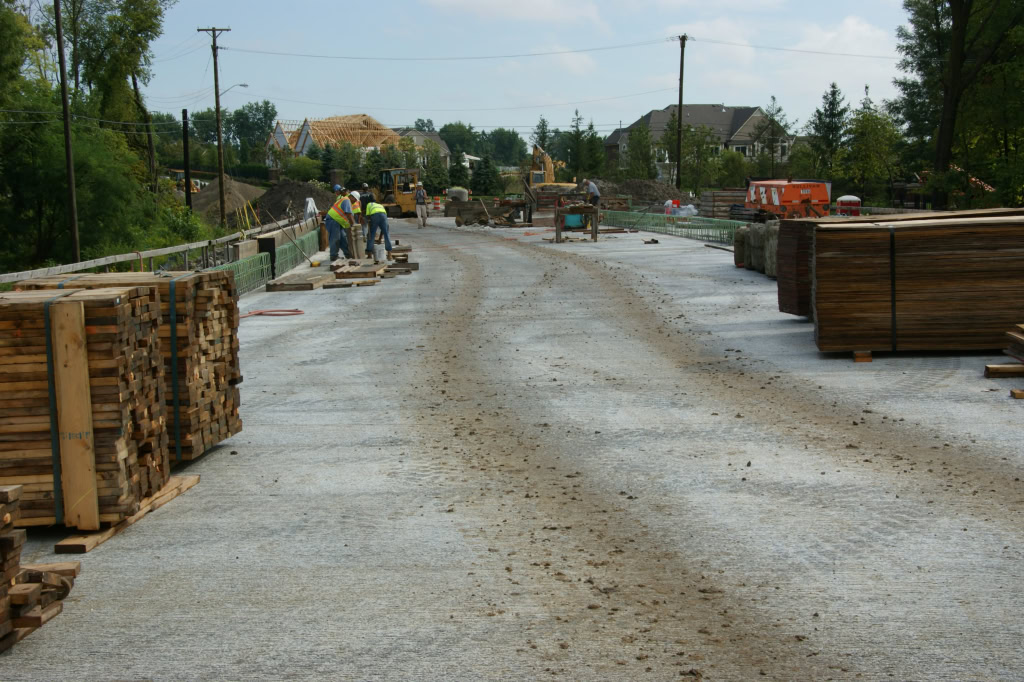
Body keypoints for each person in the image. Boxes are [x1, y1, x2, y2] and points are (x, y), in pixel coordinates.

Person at [325, 185, 355, 260]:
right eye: (355, 200)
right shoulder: (347, 200)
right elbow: (348, 214)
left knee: (342, 239)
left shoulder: (346, 200)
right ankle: (333, 256)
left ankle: (348, 254)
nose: (355, 202)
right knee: (335, 238)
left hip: (338, 221)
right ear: (352, 197)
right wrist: (354, 225)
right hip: (333, 220)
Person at [364, 198, 393, 263]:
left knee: (371, 234)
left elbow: (368, 216)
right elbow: (383, 230)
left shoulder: (368, 204)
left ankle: (369, 254)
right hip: (383, 215)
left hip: (375, 215)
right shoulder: (380, 205)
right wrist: (380, 238)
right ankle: (389, 254)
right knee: (386, 234)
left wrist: (370, 226)